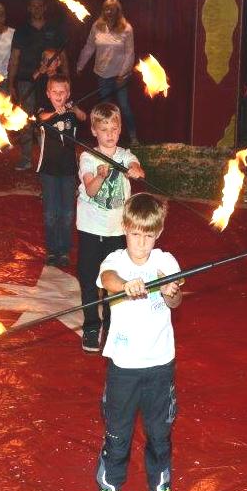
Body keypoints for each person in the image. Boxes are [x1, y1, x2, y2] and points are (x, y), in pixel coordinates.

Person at [91, 192, 183, 491]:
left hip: (159, 365)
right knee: (118, 432)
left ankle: (160, 489)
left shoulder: (165, 261)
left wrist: (170, 289)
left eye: (147, 236)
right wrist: (126, 284)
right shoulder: (116, 259)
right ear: (125, 229)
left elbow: (174, 297)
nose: (141, 244)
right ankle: (109, 488)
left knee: (159, 433)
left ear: (157, 234)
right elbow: (107, 279)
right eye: (134, 234)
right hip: (124, 367)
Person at [76, 102, 145, 353]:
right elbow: (92, 191)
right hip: (91, 229)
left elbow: (138, 169)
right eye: (104, 129)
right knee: (88, 278)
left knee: (113, 280)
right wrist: (100, 176)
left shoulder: (124, 155)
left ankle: (112, 322)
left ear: (119, 130)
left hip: (117, 231)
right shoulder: (87, 156)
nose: (109, 134)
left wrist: (135, 170)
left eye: (114, 129)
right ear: (94, 131)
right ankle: (91, 325)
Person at [8, 0, 66, 171]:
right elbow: (15, 58)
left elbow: (62, 55)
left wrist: (66, 78)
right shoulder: (22, 30)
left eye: (40, 5)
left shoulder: (54, 28)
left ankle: (47, 158)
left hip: (50, 82)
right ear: (29, 8)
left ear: (45, 8)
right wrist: (11, 84)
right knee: (26, 121)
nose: (37, 9)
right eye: (33, 6)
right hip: (27, 81)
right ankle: (26, 158)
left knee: (48, 120)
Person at [36, 75, 86, 267]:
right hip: (48, 170)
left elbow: (83, 117)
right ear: (48, 94)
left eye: (62, 92)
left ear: (68, 93)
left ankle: (64, 250)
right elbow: (41, 120)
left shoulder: (71, 111)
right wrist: (56, 112)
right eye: (54, 92)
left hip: (68, 170)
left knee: (67, 213)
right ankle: (52, 249)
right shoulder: (44, 110)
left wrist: (72, 108)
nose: (58, 95)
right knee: (50, 213)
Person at [76, 0, 139, 147]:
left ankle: (133, 136)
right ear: (103, 10)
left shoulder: (126, 28)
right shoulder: (97, 26)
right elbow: (89, 47)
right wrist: (80, 65)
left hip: (120, 76)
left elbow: (130, 53)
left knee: (123, 106)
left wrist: (122, 74)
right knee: (106, 109)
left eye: (113, 9)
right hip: (102, 74)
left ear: (118, 11)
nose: (109, 12)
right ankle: (107, 140)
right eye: (106, 9)